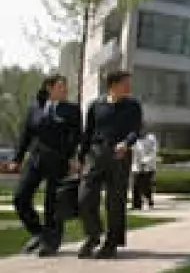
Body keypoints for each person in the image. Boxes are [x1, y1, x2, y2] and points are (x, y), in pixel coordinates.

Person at [9, 74, 81, 257]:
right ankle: (38, 232)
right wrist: (16, 159)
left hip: (58, 161)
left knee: (53, 204)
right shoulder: (35, 107)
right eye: (61, 86)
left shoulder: (72, 110)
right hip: (35, 160)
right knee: (20, 197)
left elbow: (76, 136)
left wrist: (73, 158)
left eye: (65, 86)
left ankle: (52, 242)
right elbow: (26, 135)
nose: (65, 89)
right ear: (49, 88)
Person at [77, 70, 143, 259]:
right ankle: (93, 235)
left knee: (115, 202)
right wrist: (80, 158)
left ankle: (111, 243)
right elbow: (87, 134)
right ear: (113, 85)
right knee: (85, 197)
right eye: (125, 83)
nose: (129, 87)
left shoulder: (133, 106)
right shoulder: (95, 106)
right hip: (96, 154)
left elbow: (136, 130)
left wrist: (126, 143)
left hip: (119, 156)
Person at [131, 132, 158, 210]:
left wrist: (145, 161)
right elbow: (134, 153)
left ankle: (149, 200)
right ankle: (136, 205)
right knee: (135, 185)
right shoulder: (134, 139)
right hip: (137, 166)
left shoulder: (151, 138)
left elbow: (153, 151)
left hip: (149, 167)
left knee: (146, 185)